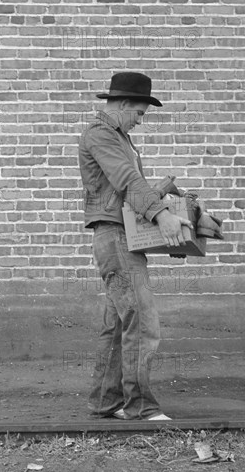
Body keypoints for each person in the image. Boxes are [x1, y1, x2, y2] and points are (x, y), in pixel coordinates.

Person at [78, 72, 193, 421]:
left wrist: (163, 191)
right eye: (139, 114)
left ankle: (105, 400)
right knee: (142, 322)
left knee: (117, 326)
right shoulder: (101, 135)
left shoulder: (118, 137)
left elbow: (123, 191)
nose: (140, 122)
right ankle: (140, 406)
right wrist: (161, 215)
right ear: (123, 104)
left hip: (121, 236)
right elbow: (127, 182)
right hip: (115, 239)